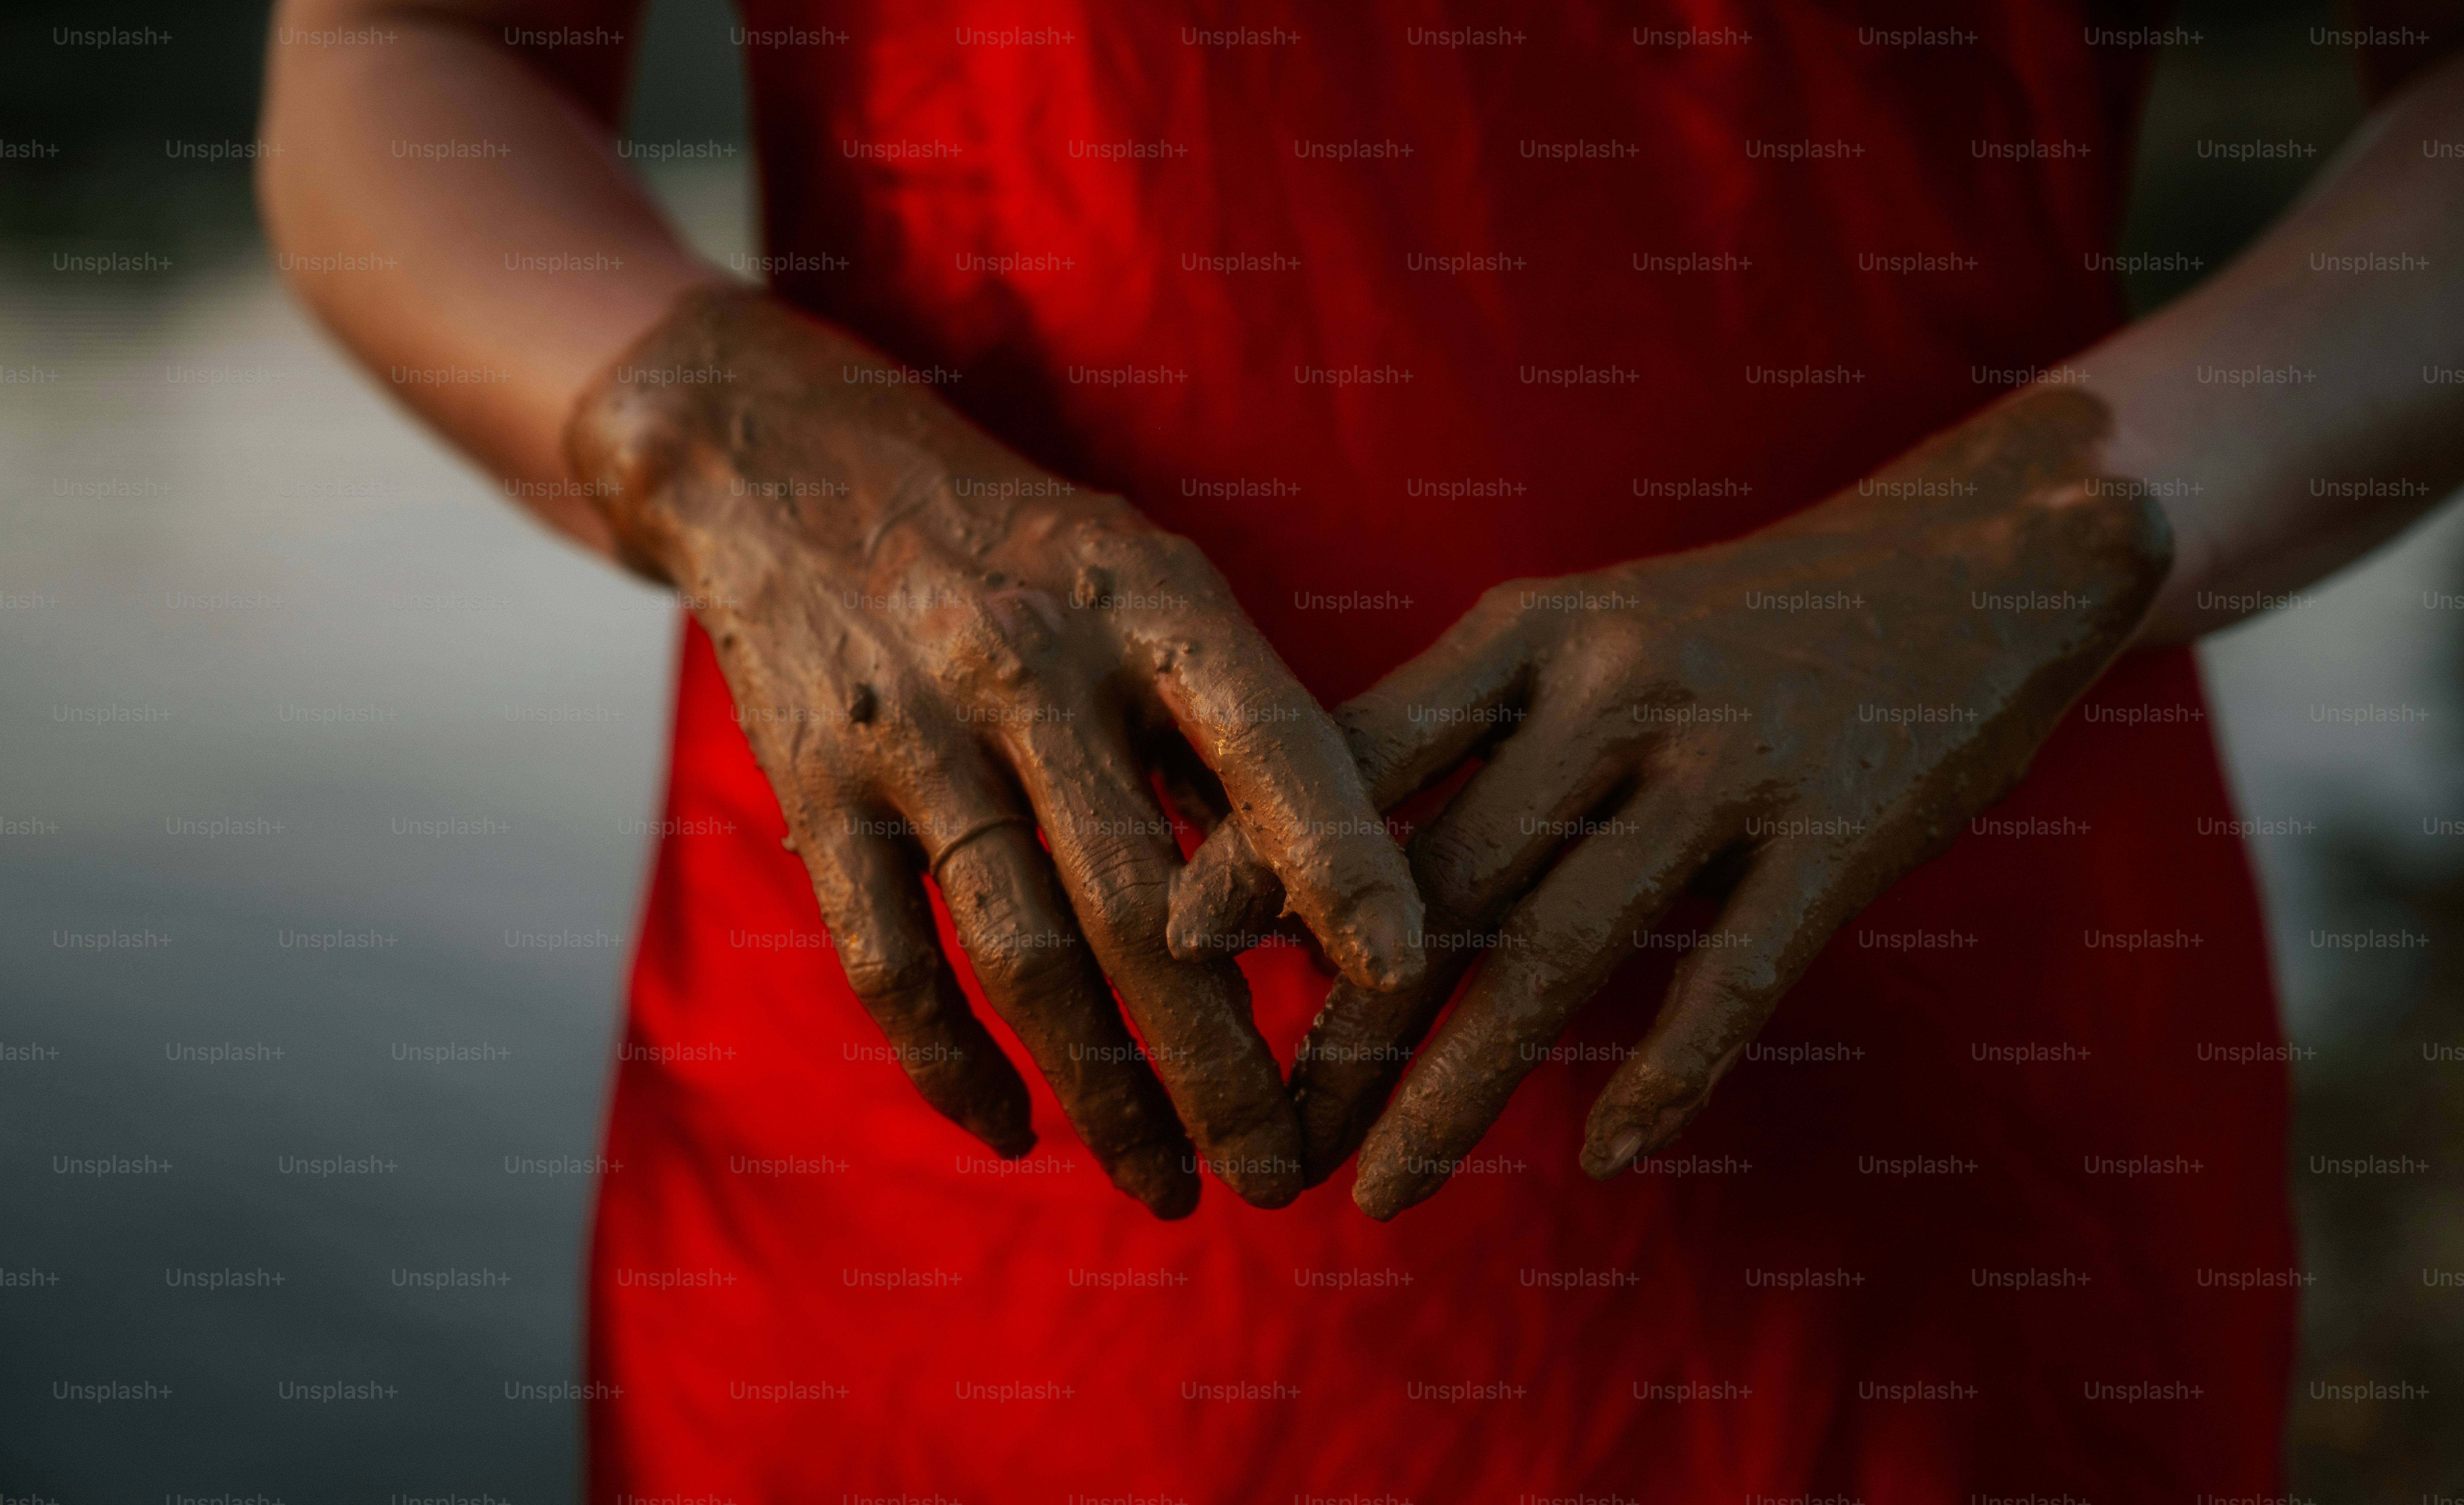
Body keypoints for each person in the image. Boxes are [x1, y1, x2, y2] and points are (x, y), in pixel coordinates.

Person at [259, 0, 2464, 1496]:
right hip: (960, 1113)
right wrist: (730, 447)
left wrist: (2046, 527)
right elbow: (399, 55)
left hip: (1919, 1111)